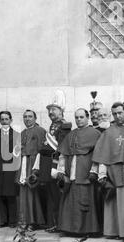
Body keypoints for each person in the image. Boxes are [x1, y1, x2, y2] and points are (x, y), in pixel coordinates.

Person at [92, 102, 124, 241]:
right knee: (114, 202)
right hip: (114, 171)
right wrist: (102, 173)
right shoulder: (109, 131)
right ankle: (115, 231)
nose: (117, 116)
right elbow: (102, 153)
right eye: (114, 114)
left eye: (120, 113)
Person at [57, 109, 101, 235]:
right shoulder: (71, 134)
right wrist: (61, 170)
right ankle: (70, 228)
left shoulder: (96, 133)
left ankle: (87, 229)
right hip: (71, 173)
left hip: (86, 173)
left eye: (81, 117)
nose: (79, 120)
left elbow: (98, 155)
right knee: (69, 202)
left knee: (85, 201)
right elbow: (63, 154)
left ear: (87, 117)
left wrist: (94, 170)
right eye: (76, 117)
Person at [40, 91, 72, 232]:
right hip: (47, 165)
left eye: (54, 109)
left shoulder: (64, 126)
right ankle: (51, 223)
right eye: (49, 110)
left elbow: (62, 148)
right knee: (51, 195)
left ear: (61, 111)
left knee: (57, 196)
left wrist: (59, 168)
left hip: (56, 164)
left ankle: (59, 224)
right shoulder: (53, 126)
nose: (51, 112)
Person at [16, 110, 47, 229]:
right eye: (25, 117)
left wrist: (36, 169)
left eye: (30, 116)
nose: (27, 119)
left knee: (32, 194)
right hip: (23, 163)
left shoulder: (40, 131)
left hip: (34, 164)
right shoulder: (22, 132)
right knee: (23, 193)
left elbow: (42, 150)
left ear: (35, 118)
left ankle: (34, 221)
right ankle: (25, 220)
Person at [0, 112, 20, 228]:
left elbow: (18, 154)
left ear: (11, 120)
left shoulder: (17, 135)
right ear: (0, 121)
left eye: (6, 119)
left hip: (11, 169)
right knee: (0, 195)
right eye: (2, 119)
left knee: (11, 195)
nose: (4, 121)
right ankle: (3, 220)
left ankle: (13, 221)